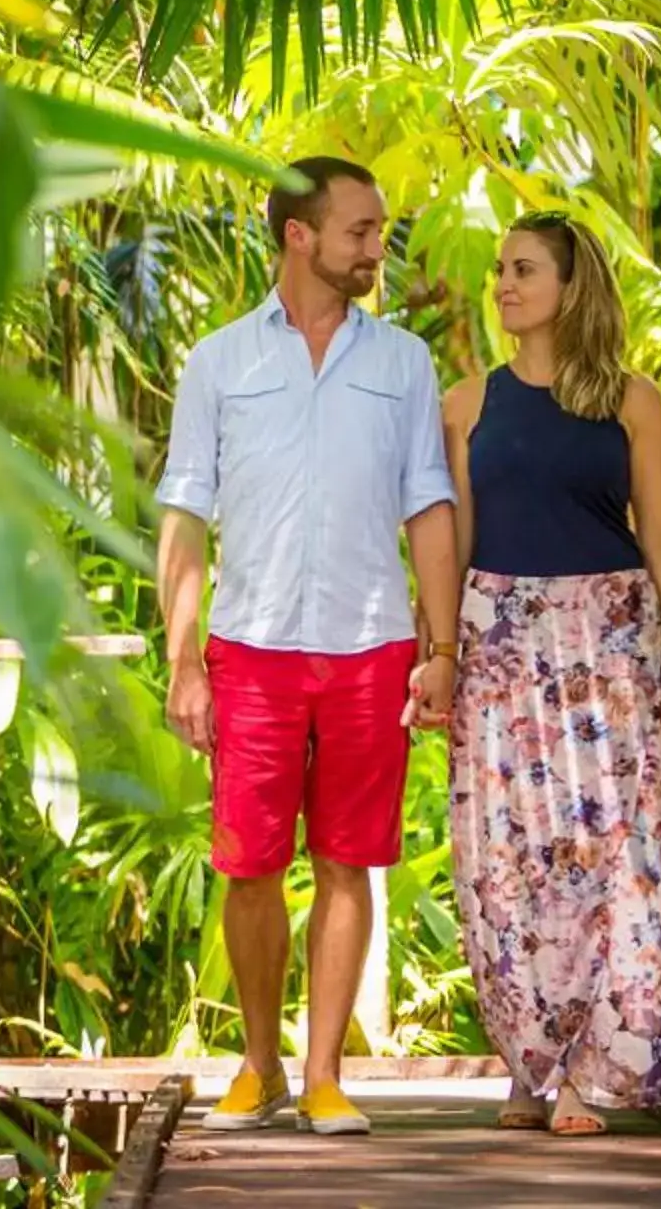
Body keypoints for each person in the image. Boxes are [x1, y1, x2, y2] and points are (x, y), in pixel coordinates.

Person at [158, 155, 462, 1136]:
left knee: (348, 860)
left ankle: (325, 1073)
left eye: (379, 230)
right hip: (251, 647)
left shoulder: (404, 362)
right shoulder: (219, 361)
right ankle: (259, 1065)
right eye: (361, 230)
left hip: (373, 641)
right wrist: (183, 656)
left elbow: (430, 502)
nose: (379, 246)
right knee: (247, 864)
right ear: (300, 235)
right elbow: (185, 514)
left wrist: (442, 644)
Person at [438, 211, 661, 1136]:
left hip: (613, 646)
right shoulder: (466, 405)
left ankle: (595, 1071)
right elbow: (457, 544)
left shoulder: (634, 401)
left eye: (523, 269)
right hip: (502, 643)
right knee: (503, 856)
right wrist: (440, 653)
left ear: (569, 285)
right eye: (500, 270)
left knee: (615, 853)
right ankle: (529, 1063)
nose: (504, 284)